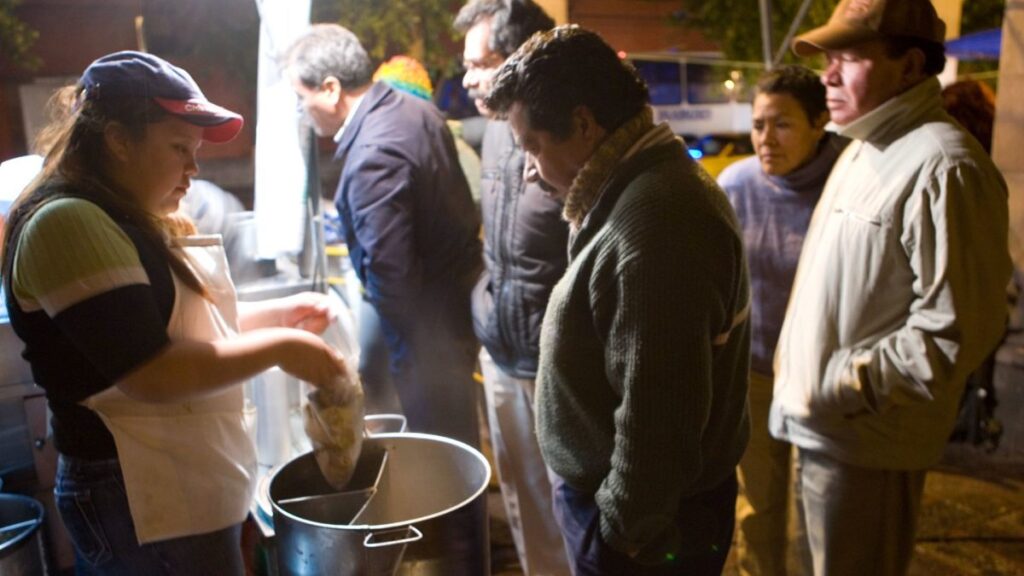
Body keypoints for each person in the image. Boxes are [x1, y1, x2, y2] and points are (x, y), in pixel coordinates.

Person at [0, 51, 347, 575]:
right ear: (117, 140)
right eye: (179, 147)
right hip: (134, 494)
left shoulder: (122, 213)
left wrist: (281, 316)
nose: (194, 168)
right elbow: (153, 373)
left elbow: (172, 327)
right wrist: (286, 347)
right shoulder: (67, 222)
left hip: (171, 479)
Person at [485, 25, 751, 576]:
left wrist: (623, 535)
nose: (530, 170)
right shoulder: (634, 190)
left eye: (533, 146)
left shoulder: (658, 223)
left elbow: (660, 417)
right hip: (634, 516)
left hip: (646, 534)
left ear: (584, 124)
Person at [773, 1, 1012, 574]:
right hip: (822, 433)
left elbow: (958, 328)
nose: (826, 74)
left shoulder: (944, 167)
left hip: (865, 449)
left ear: (908, 66)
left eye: (848, 57)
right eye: (827, 58)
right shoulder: (864, 147)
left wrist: (845, 386)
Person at [284, 25, 483, 449]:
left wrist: (400, 363)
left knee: (440, 463)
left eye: (304, 99)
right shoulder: (415, 110)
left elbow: (391, 279)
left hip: (425, 341)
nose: (304, 112)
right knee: (460, 453)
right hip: (454, 319)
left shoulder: (375, 154)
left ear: (332, 89)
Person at [453, 2, 570, 574]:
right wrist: (485, 303)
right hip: (500, 348)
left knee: (572, 510)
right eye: (467, 64)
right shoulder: (497, 132)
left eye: (484, 62)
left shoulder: (569, 133)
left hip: (558, 365)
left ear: (526, 57)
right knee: (525, 506)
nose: (470, 77)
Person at [717, 65, 847, 576]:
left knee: (823, 510)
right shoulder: (736, 186)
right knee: (757, 507)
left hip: (828, 379)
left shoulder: (847, 185)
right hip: (755, 372)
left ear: (820, 123)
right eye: (758, 125)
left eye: (783, 124)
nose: (766, 140)